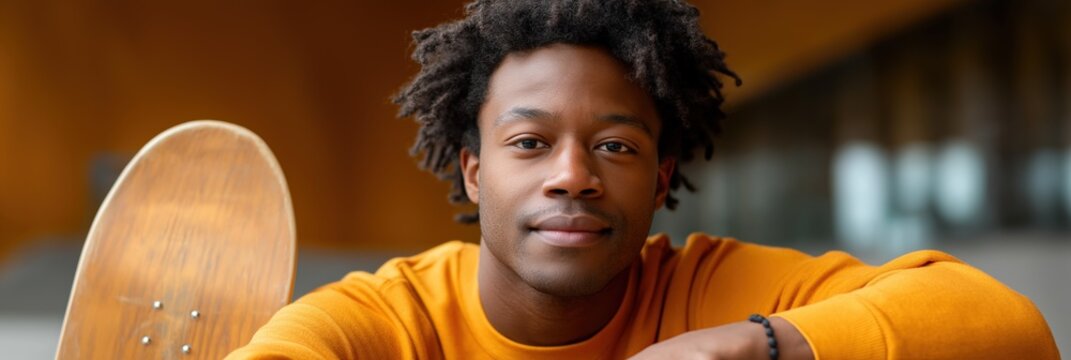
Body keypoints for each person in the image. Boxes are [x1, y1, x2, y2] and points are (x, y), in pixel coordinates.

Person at [227, 0, 1059, 358]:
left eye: (617, 148)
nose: (573, 177)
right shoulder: (391, 320)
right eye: (528, 143)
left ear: (661, 180)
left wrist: (753, 346)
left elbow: (1007, 328)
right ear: (473, 172)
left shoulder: (712, 288)